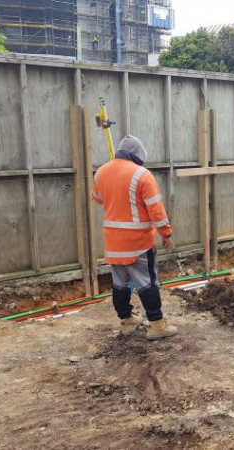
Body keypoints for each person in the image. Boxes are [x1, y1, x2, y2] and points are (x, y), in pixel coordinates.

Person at [92, 136, 178, 340]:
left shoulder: (101, 172)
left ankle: (127, 320)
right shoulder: (142, 175)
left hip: (113, 243)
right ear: (138, 156)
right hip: (138, 243)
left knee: (119, 284)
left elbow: (98, 199)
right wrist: (166, 234)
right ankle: (156, 325)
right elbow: (156, 210)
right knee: (147, 283)